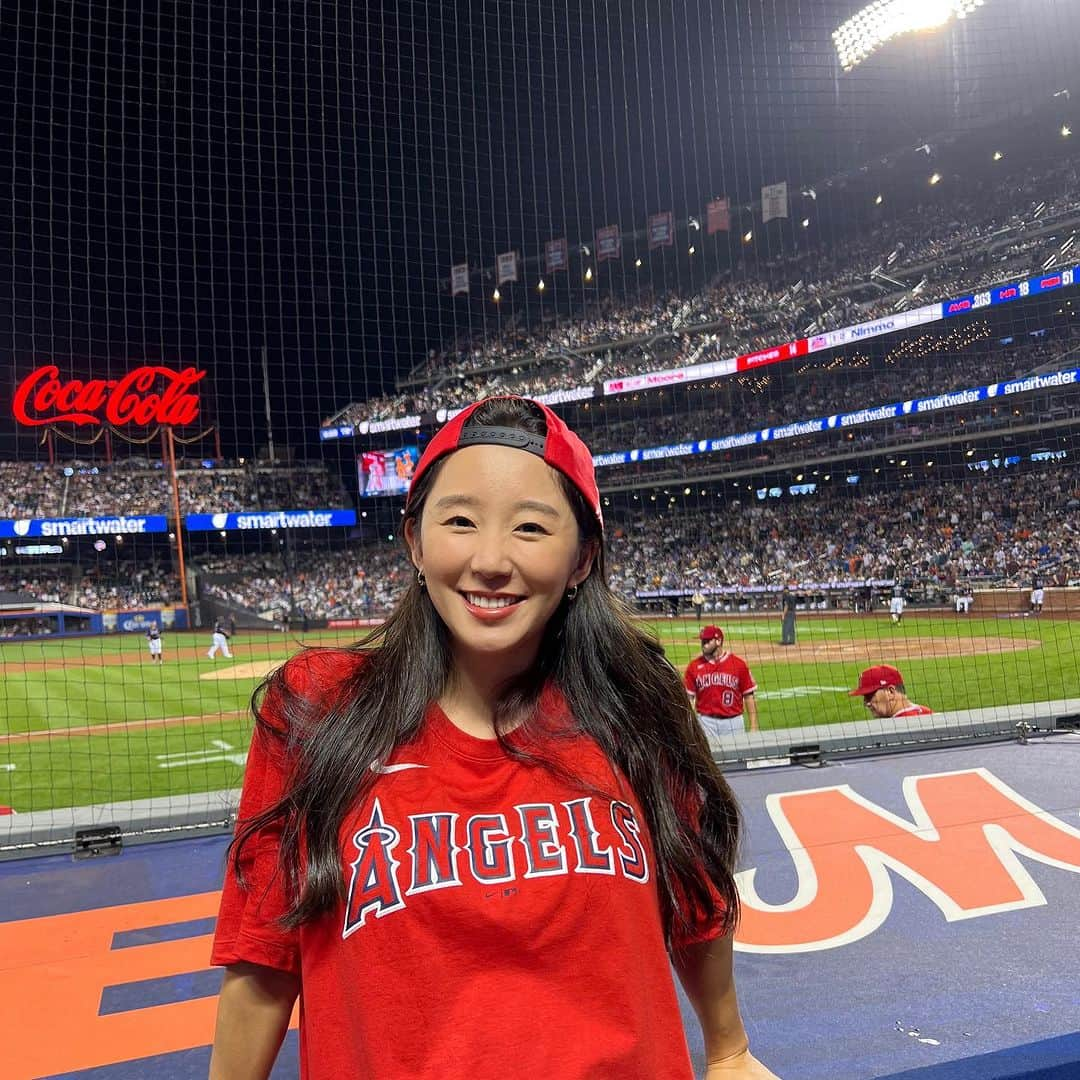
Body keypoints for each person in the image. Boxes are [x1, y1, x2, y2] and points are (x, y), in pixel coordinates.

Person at [209, 396, 777, 1080]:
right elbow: (264, 959)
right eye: (459, 521)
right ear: (414, 541)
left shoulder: (636, 704)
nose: (490, 560)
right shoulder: (316, 707)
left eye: (531, 528)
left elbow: (697, 891)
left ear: (582, 558)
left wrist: (729, 1049)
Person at [684, 625, 759, 737]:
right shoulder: (694, 666)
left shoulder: (738, 665)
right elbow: (689, 699)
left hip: (733, 722)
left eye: (707, 641)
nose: (703, 644)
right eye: (702, 641)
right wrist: (689, 726)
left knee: (737, 754)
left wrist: (754, 726)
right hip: (706, 722)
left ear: (718, 641)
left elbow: (749, 696)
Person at [849, 664, 932, 718]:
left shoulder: (899, 727)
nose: (866, 703)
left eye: (870, 696)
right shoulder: (927, 712)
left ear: (891, 692)